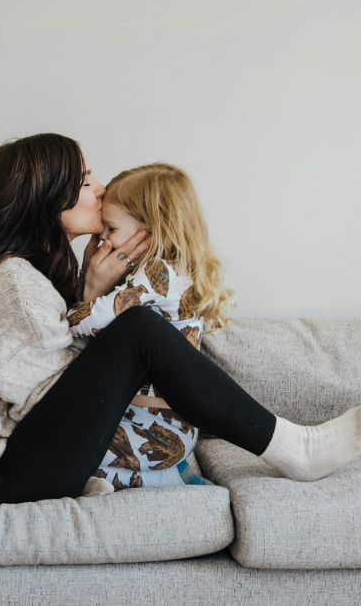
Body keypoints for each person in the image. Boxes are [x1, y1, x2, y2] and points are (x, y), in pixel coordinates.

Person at [0, 133, 361, 505]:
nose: (102, 188)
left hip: (19, 460)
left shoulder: (25, 273)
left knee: (138, 326)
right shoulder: (14, 284)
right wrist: (94, 297)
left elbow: (71, 385)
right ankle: (296, 448)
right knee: (141, 328)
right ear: (47, 196)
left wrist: (89, 292)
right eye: (86, 180)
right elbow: (50, 387)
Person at [65, 162, 226, 493]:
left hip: (153, 427)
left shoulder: (157, 276)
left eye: (110, 229)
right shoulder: (175, 273)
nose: (102, 239)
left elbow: (86, 323)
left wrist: (84, 293)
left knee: (66, 453)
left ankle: (166, 478)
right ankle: (170, 476)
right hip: (164, 424)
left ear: (148, 233)